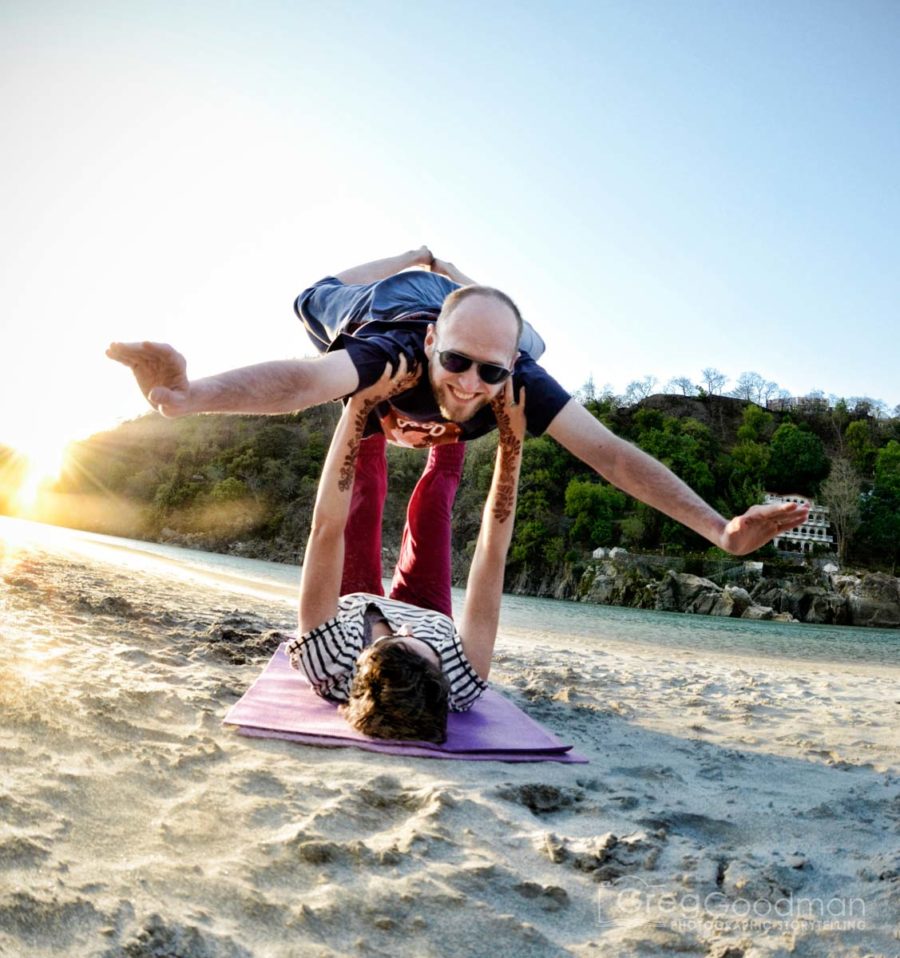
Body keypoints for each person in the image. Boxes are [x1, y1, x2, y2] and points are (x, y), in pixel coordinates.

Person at [107, 246, 809, 587]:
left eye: (490, 373)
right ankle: (427, 260)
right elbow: (306, 381)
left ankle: (464, 287)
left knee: (532, 343)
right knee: (309, 298)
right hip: (386, 297)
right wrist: (187, 395)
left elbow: (611, 453)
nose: (471, 385)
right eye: (458, 365)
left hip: (476, 316)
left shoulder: (511, 376)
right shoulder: (394, 355)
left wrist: (720, 528)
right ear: (433, 348)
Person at [286, 356, 527, 743]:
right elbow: (492, 553)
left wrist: (361, 402)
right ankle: (452, 404)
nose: (405, 625)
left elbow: (326, 529)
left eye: (397, 637)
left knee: (366, 489)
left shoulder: (328, 660)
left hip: (352, 601)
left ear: (363, 662)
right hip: (431, 606)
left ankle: (387, 384)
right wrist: (512, 440)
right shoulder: (460, 683)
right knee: (434, 503)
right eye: (424, 643)